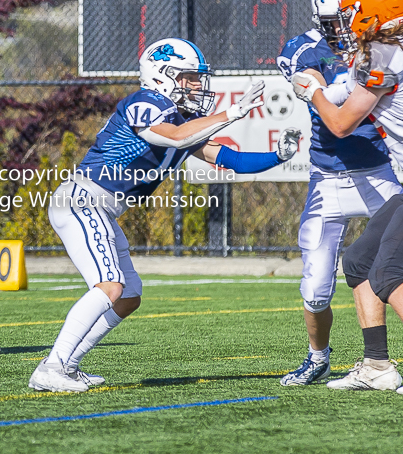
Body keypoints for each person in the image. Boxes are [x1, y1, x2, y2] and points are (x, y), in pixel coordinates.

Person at [28, 37, 303, 392]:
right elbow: (173, 137)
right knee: (110, 286)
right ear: (162, 75)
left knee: (128, 296)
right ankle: (52, 367)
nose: (197, 85)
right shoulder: (145, 102)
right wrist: (231, 113)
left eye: (196, 77)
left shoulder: (180, 117)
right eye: (188, 77)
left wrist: (277, 155)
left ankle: (67, 364)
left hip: (103, 207)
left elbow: (229, 159)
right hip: (84, 200)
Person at [277, 0, 403, 386]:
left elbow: (339, 122)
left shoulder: (383, 50)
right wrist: (326, 87)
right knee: (358, 262)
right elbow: (354, 90)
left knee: (389, 274)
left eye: (352, 13)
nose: (348, 22)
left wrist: (314, 93)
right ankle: (377, 365)